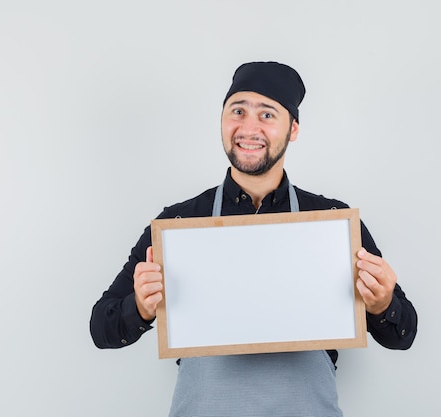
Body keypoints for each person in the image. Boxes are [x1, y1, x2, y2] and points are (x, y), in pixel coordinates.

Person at [90, 61, 418, 417]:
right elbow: (101, 327)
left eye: (267, 115)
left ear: (292, 129)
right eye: (238, 110)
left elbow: (403, 335)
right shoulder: (178, 224)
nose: (248, 127)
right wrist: (139, 306)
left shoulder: (333, 225)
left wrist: (383, 302)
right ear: (221, 119)